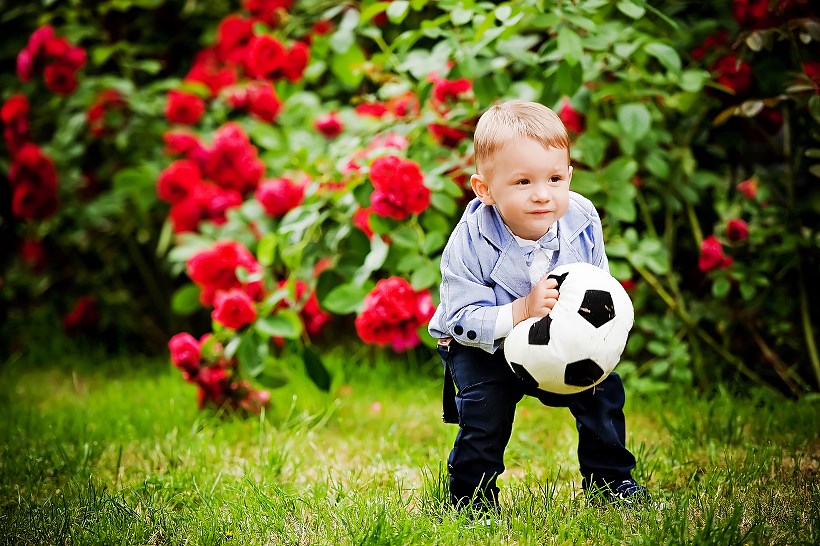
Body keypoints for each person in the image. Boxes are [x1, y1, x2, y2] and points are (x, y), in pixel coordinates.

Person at [428, 100, 652, 515]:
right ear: (485, 190)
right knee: (485, 411)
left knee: (602, 392)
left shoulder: (581, 217)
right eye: (522, 182)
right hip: (483, 345)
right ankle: (471, 496)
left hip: (562, 342)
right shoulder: (470, 240)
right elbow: (459, 318)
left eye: (553, 178)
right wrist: (519, 311)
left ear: (569, 176)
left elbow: (596, 285)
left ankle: (612, 481)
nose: (542, 195)